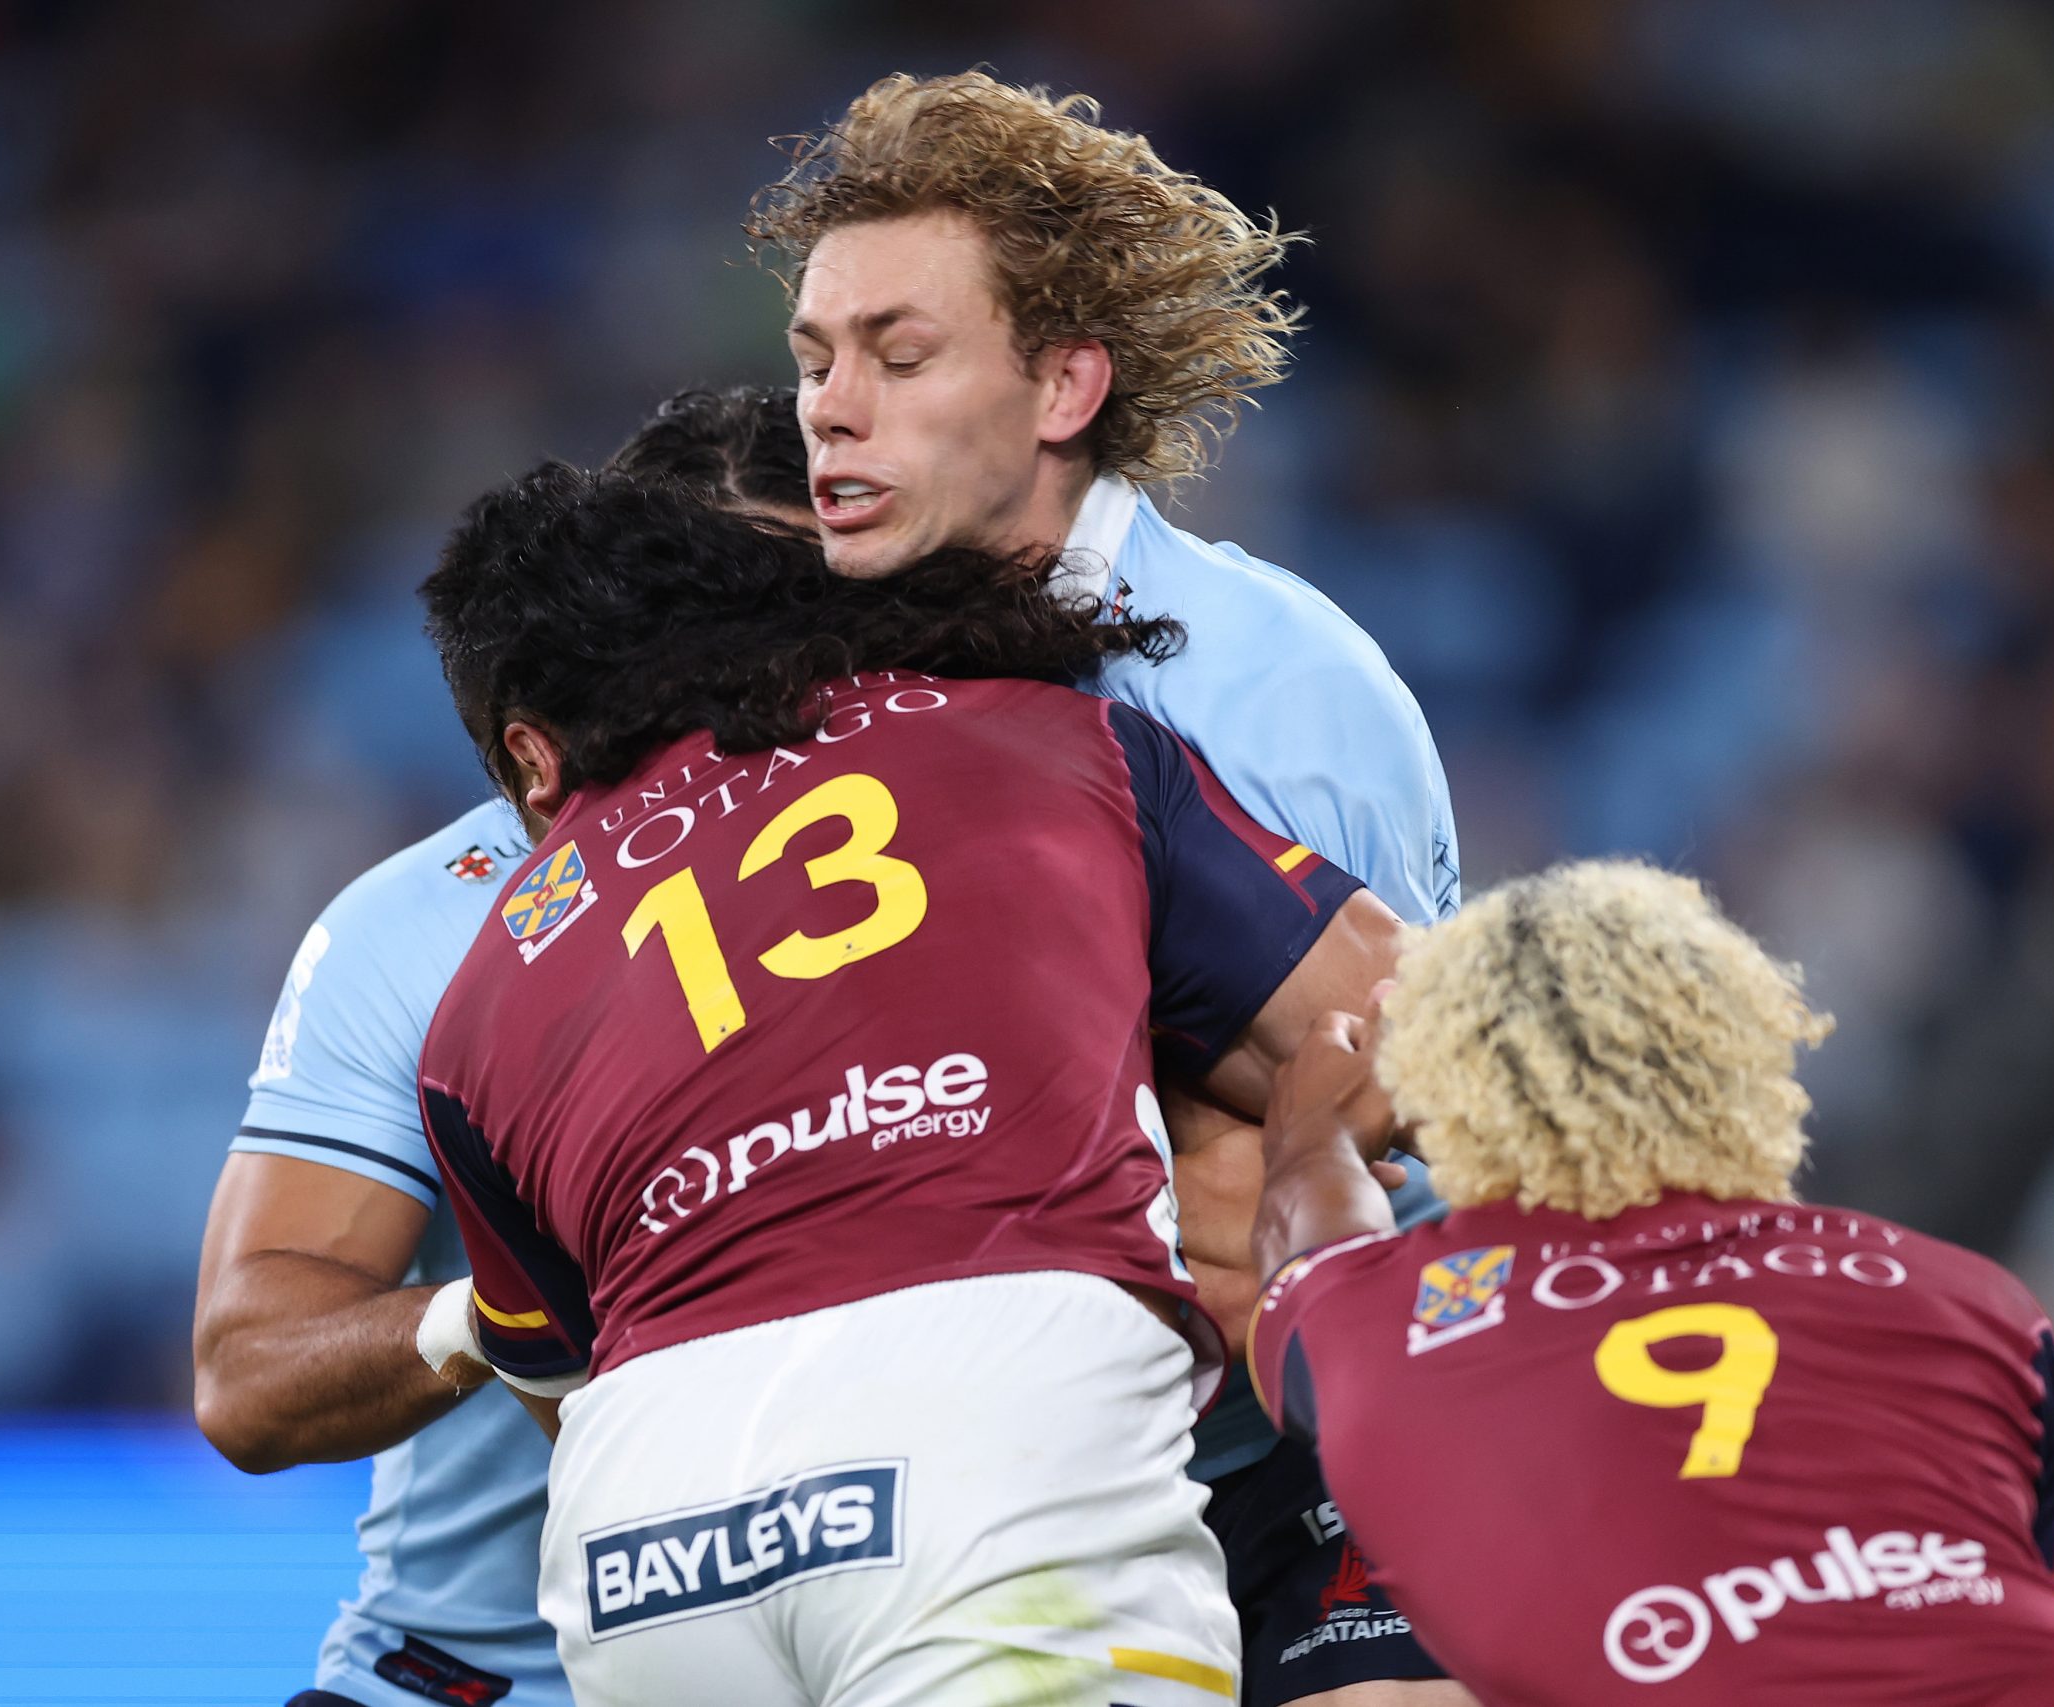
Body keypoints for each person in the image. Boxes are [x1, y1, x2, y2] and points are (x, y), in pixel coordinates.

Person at [411, 463, 1404, 1705]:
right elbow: (1399, 1029)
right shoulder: (1045, 734)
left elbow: (563, 1387)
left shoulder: (474, 997)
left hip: (646, 1541)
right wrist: (1283, 1158)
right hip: (992, 1456)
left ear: (533, 755)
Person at [752, 72, 1466, 1706]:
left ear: (1065, 383)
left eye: (899, 355)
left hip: (1313, 1469)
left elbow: (1369, 1100)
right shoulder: (818, 704)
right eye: (813, 359)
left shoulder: (1266, 680)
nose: (830, 410)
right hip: (1006, 1489)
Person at [191, 390, 806, 1707]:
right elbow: (245, 1370)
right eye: (718, 609)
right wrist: (493, 1312)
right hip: (477, 1678)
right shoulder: (423, 926)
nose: (782, 662)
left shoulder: (917, 862)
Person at [1245, 860, 2054, 1706]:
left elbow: (1305, 1252)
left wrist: (1316, 1131)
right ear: (1744, 1049)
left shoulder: (1415, 1313)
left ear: (1443, 1083)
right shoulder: (1972, 1297)